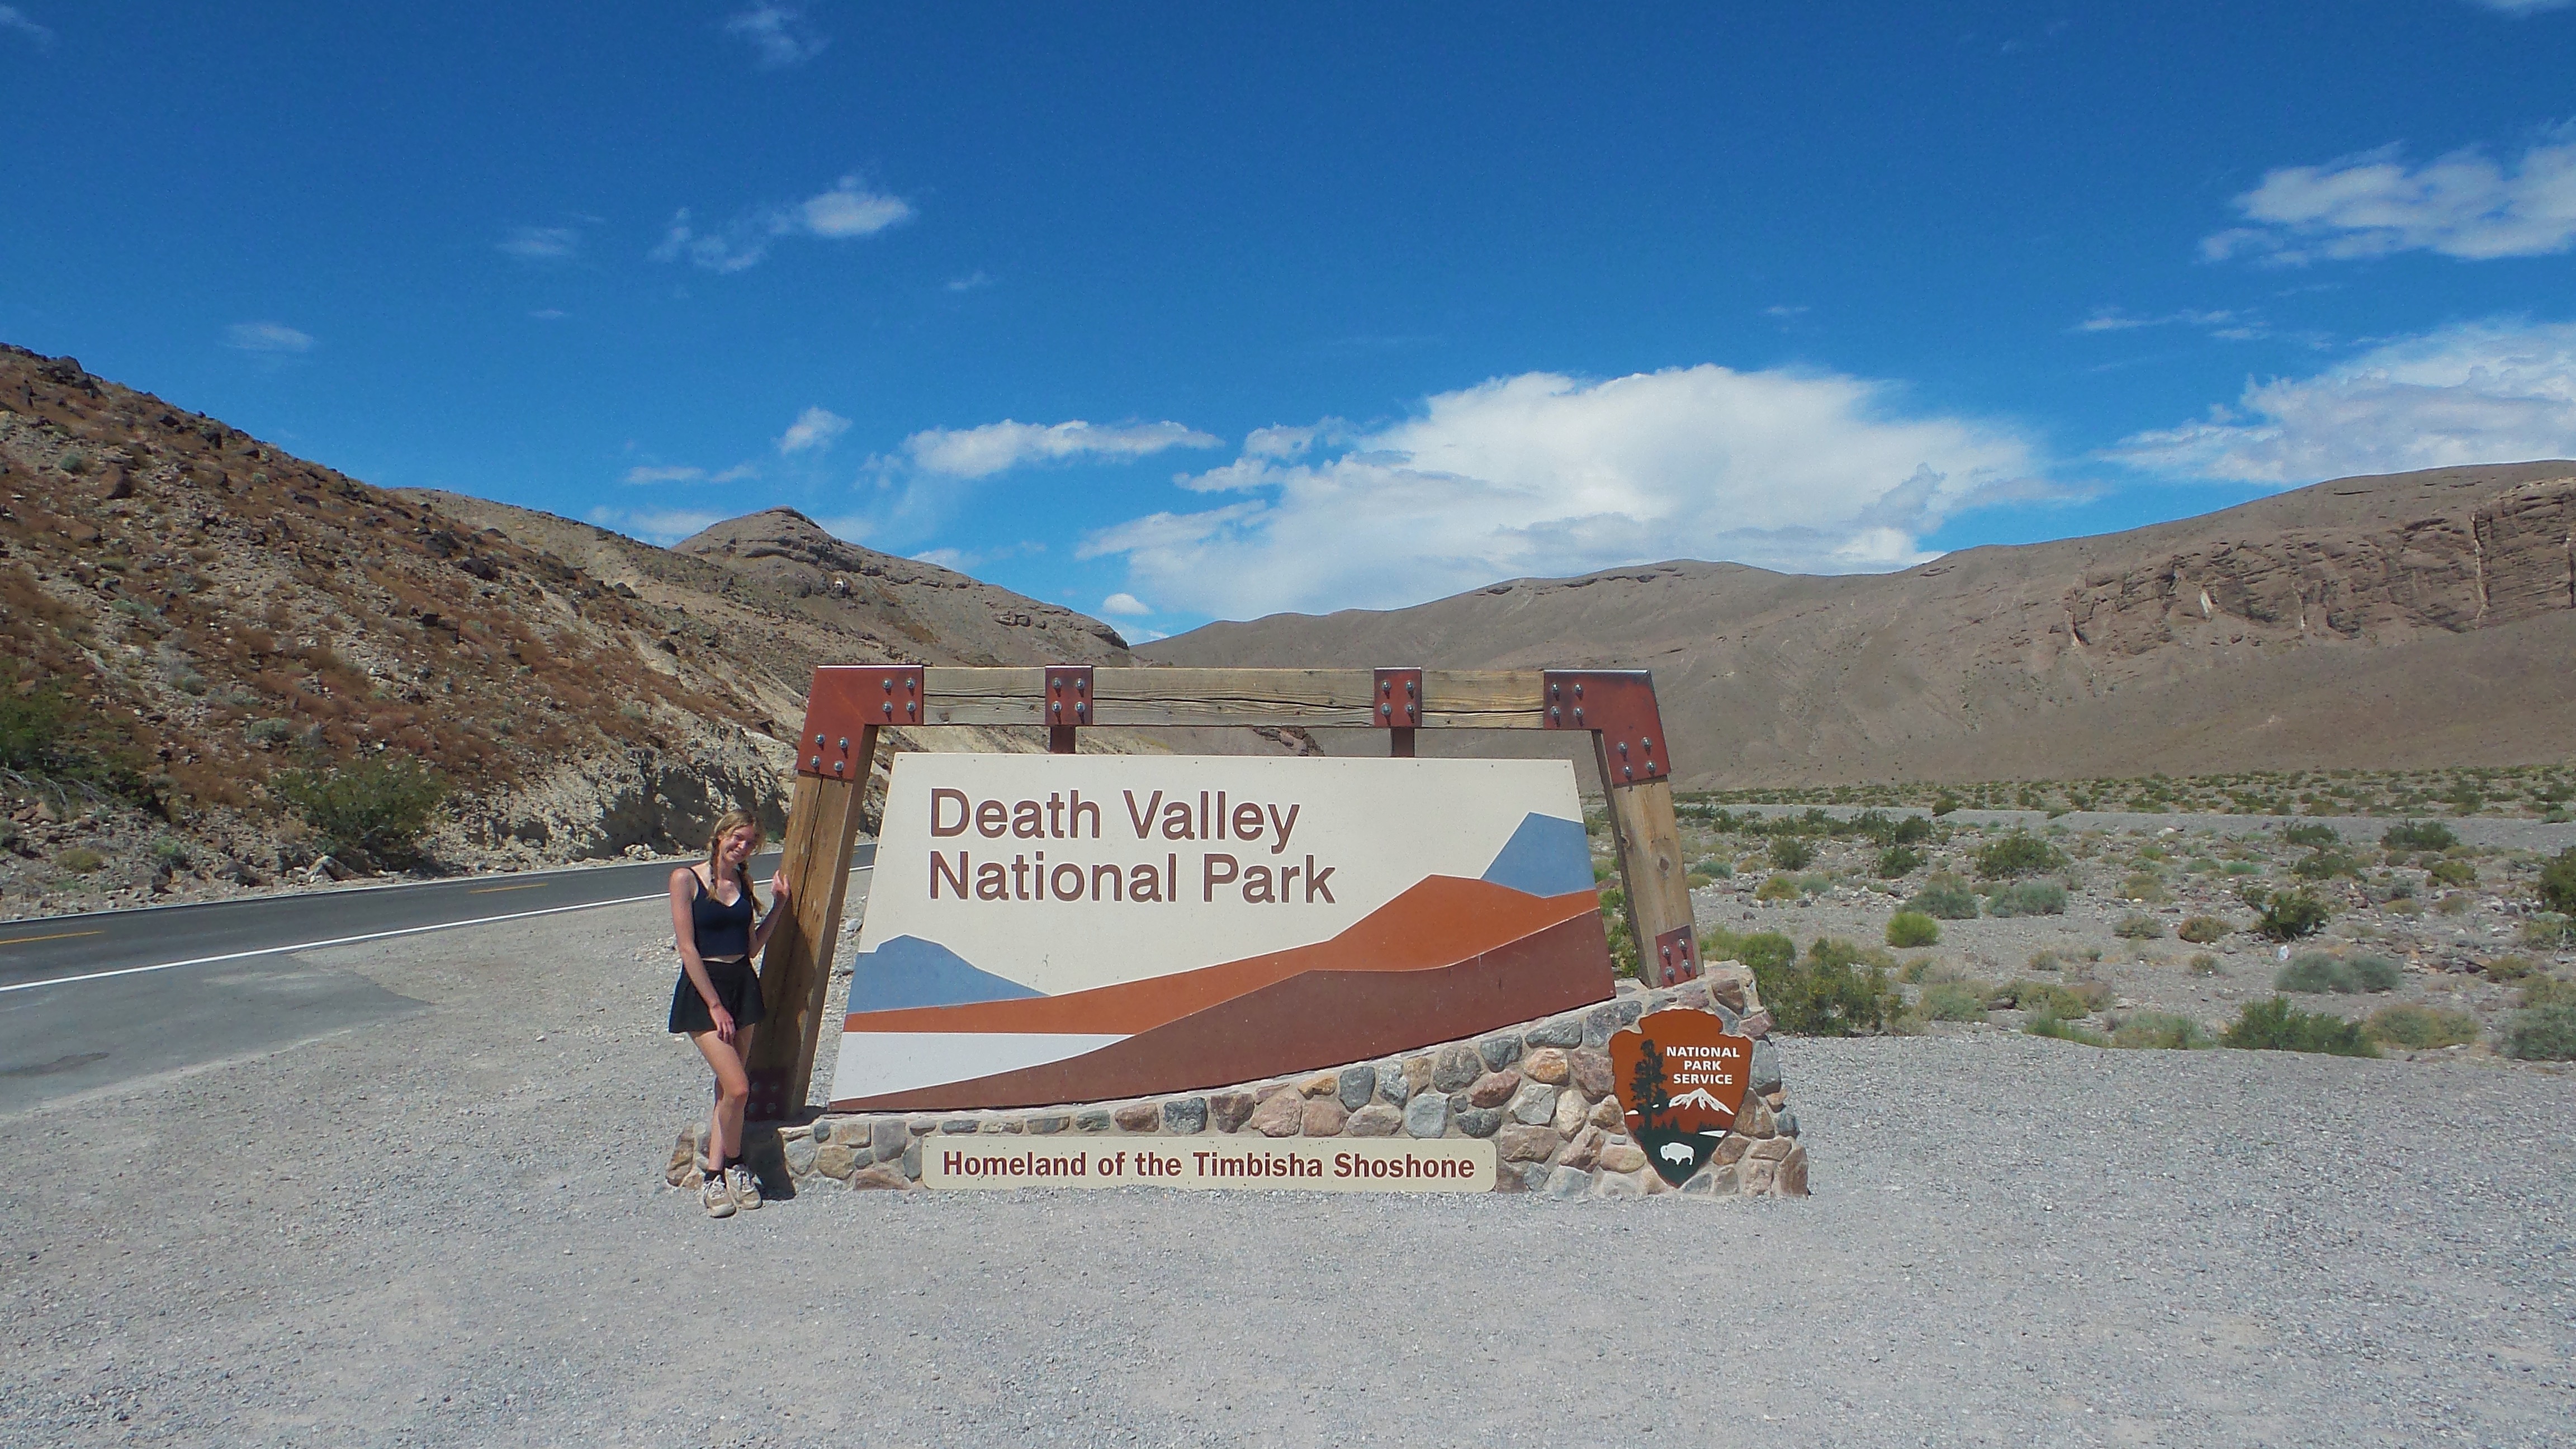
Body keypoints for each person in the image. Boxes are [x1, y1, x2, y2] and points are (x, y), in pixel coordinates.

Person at [667, 808, 793, 1218]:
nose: (743, 847)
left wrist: (777, 907)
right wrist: (715, 1005)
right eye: (737, 838)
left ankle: (721, 1175)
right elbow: (687, 948)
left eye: (751, 842)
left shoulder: (741, 881)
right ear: (720, 835)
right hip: (707, 992)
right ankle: (729, 1168)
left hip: (743, 984)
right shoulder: (686, 879)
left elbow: (752, 945)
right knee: (739, 1087)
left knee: (727, 1090)